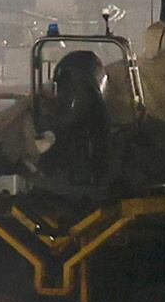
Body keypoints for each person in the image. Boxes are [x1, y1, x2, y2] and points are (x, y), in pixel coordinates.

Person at [31, 45, 114, 194]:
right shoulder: (99, 111)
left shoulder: (76, 113)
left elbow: (71, 119)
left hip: (76, 180)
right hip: (89, 177)